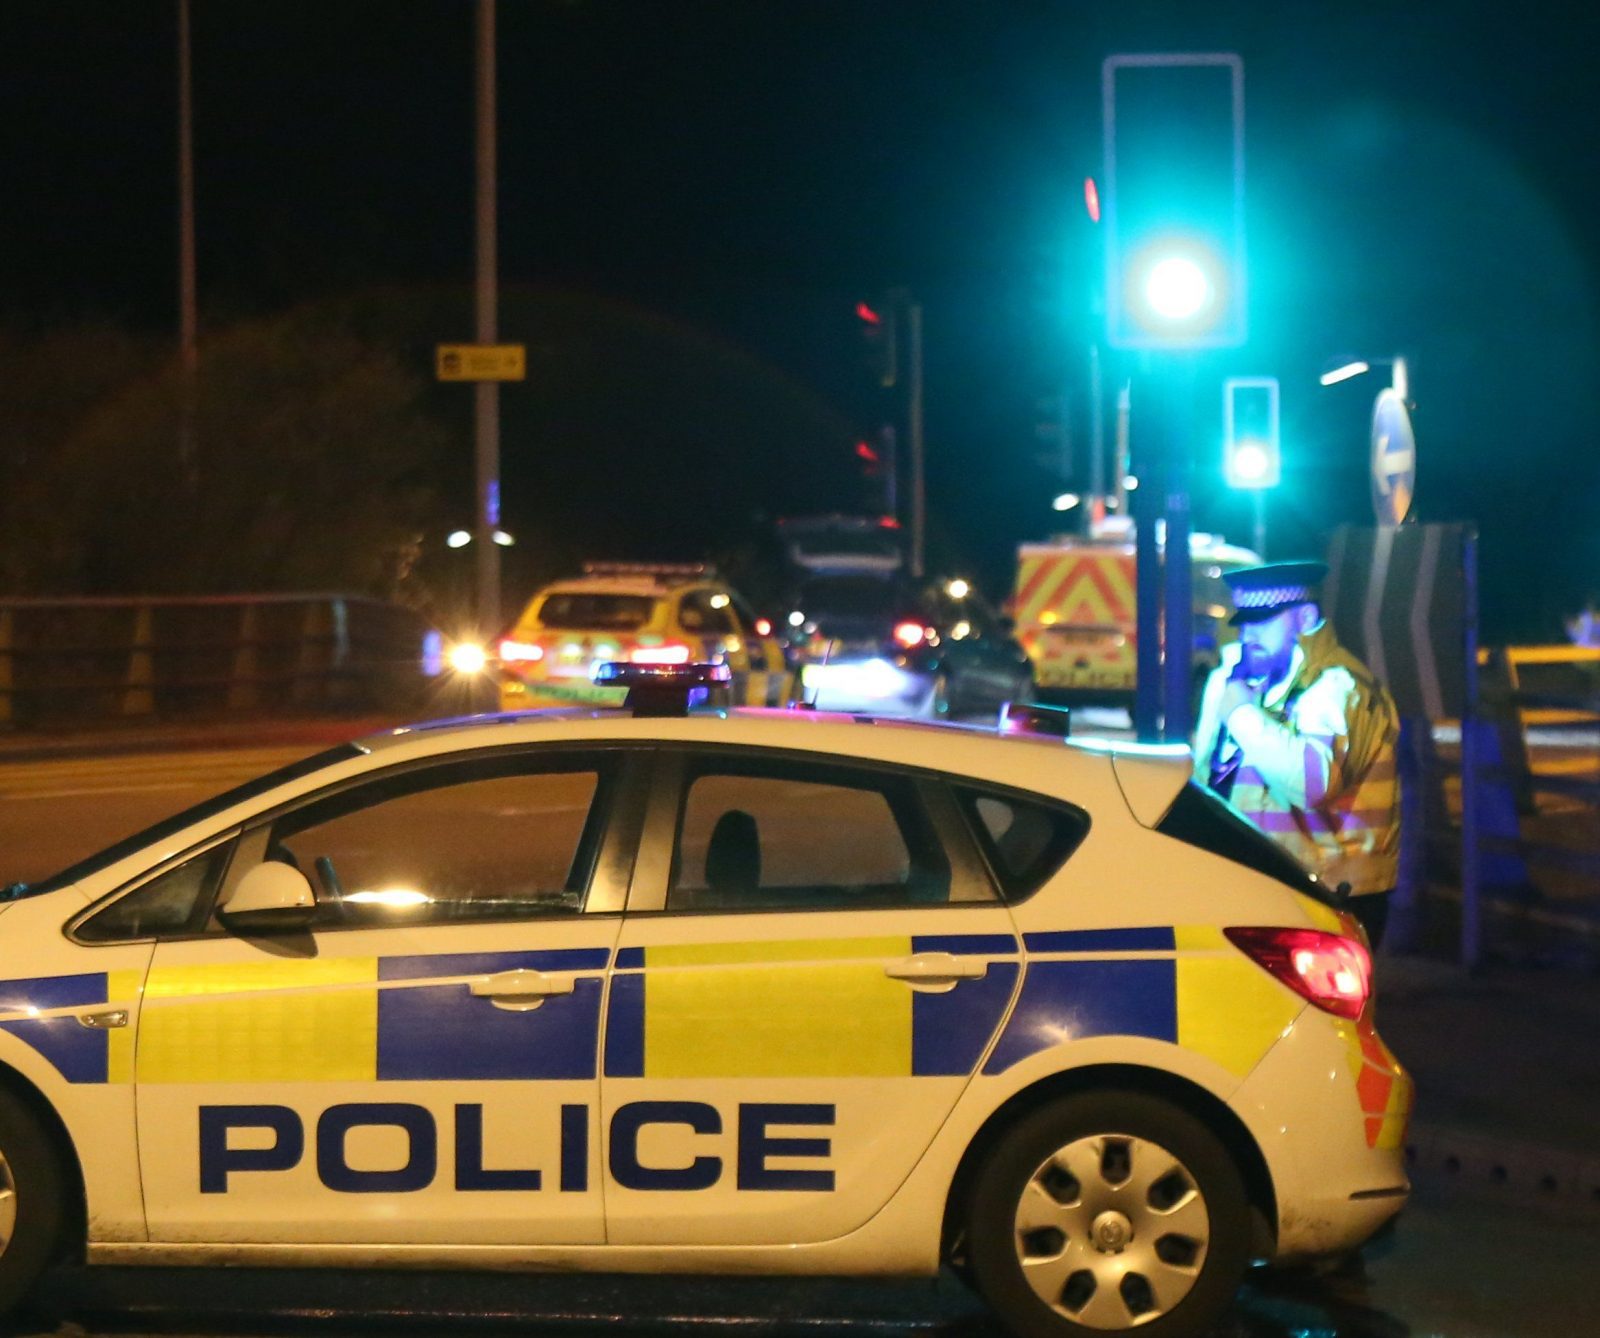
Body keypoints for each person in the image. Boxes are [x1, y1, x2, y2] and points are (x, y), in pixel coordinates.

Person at [1191, 561, 1401, 948]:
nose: (1247, 631)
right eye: (1244, 620)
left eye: (1265, 619)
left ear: (1305, 618)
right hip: (1253, 882)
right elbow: (1205, 775)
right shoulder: (1232, 678)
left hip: (1332, 894)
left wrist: (1240, 713)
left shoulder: (1338, 686)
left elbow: (1312, 784)